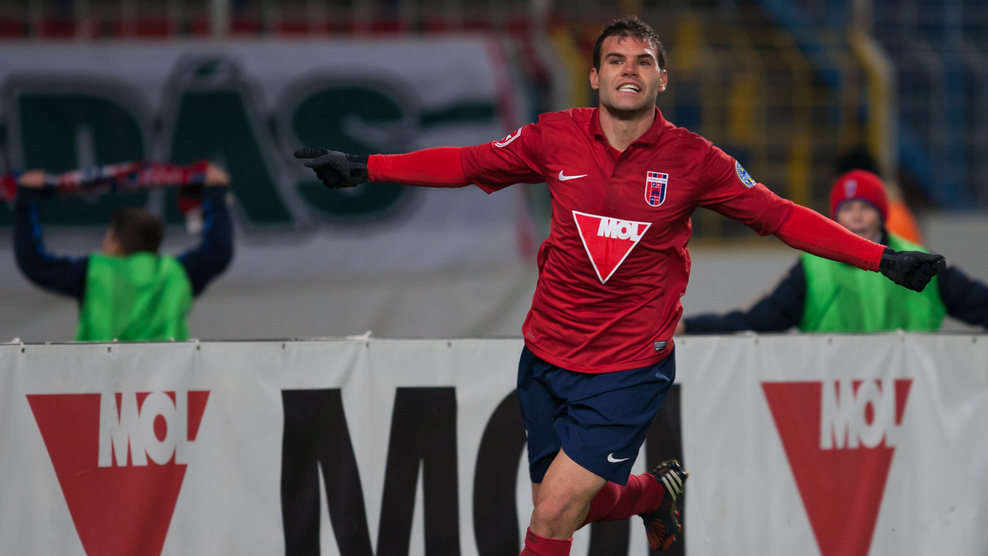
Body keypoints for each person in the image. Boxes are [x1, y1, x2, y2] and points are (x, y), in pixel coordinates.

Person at [296, 16, 945, 555]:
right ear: (595, 76)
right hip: (545, 356)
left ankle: (651, 496)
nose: (628, 70)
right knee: (565, 511)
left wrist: (880, 258)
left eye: (643, 61)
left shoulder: (696, 160)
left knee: (552, 515)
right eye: (615, 59)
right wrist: (367, 167)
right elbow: (468, 163)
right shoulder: (553, 137)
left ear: (662, 78)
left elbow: (778, 215)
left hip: (628, 368)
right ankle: (655, 495)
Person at [678, 169, 988, 334]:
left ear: (882, 213)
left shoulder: (919, 261)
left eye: (865, 207)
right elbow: (758, 322)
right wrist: (691, 327)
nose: (857, 217)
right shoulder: (814, 269)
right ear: (835, 216)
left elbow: (976, 302)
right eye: (848, 208)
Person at [13, 162, 234, 342]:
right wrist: (215, 194)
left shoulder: (94, 274)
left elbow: (34, 262)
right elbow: (219, 250)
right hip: (168, 382)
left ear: (116, 244)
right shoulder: (175, 273)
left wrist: (27, 198)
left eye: (107, 236)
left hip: (101, 381)